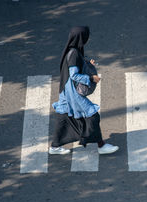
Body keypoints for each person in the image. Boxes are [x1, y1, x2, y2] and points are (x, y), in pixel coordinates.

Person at [49, 26, 119, 155]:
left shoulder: (72, 50)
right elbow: (74, 75)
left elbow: (74, 66)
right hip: (72, 92)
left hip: (66, 90)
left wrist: (87, 64)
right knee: (92, 116)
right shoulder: (74, 53)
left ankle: (54, 146)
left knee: (63, 116)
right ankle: (101, 145)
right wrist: (91, 78)